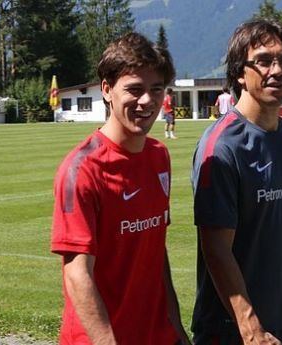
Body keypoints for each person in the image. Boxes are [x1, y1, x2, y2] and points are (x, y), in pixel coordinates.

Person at [50, 32, 190, 345]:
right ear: (107, 90)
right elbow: (77, 274)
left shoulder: (158, 157)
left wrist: (176, 326)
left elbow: (156, 250)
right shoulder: (82, 170)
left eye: (156, 89)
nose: (147, 101)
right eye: (135, 89)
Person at [191, 19, 282, 345]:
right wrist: (251, 329)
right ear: (239, 72)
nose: (277, 70)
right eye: (263, 60)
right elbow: (216, 249)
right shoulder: (221, 147)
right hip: (236, 331)